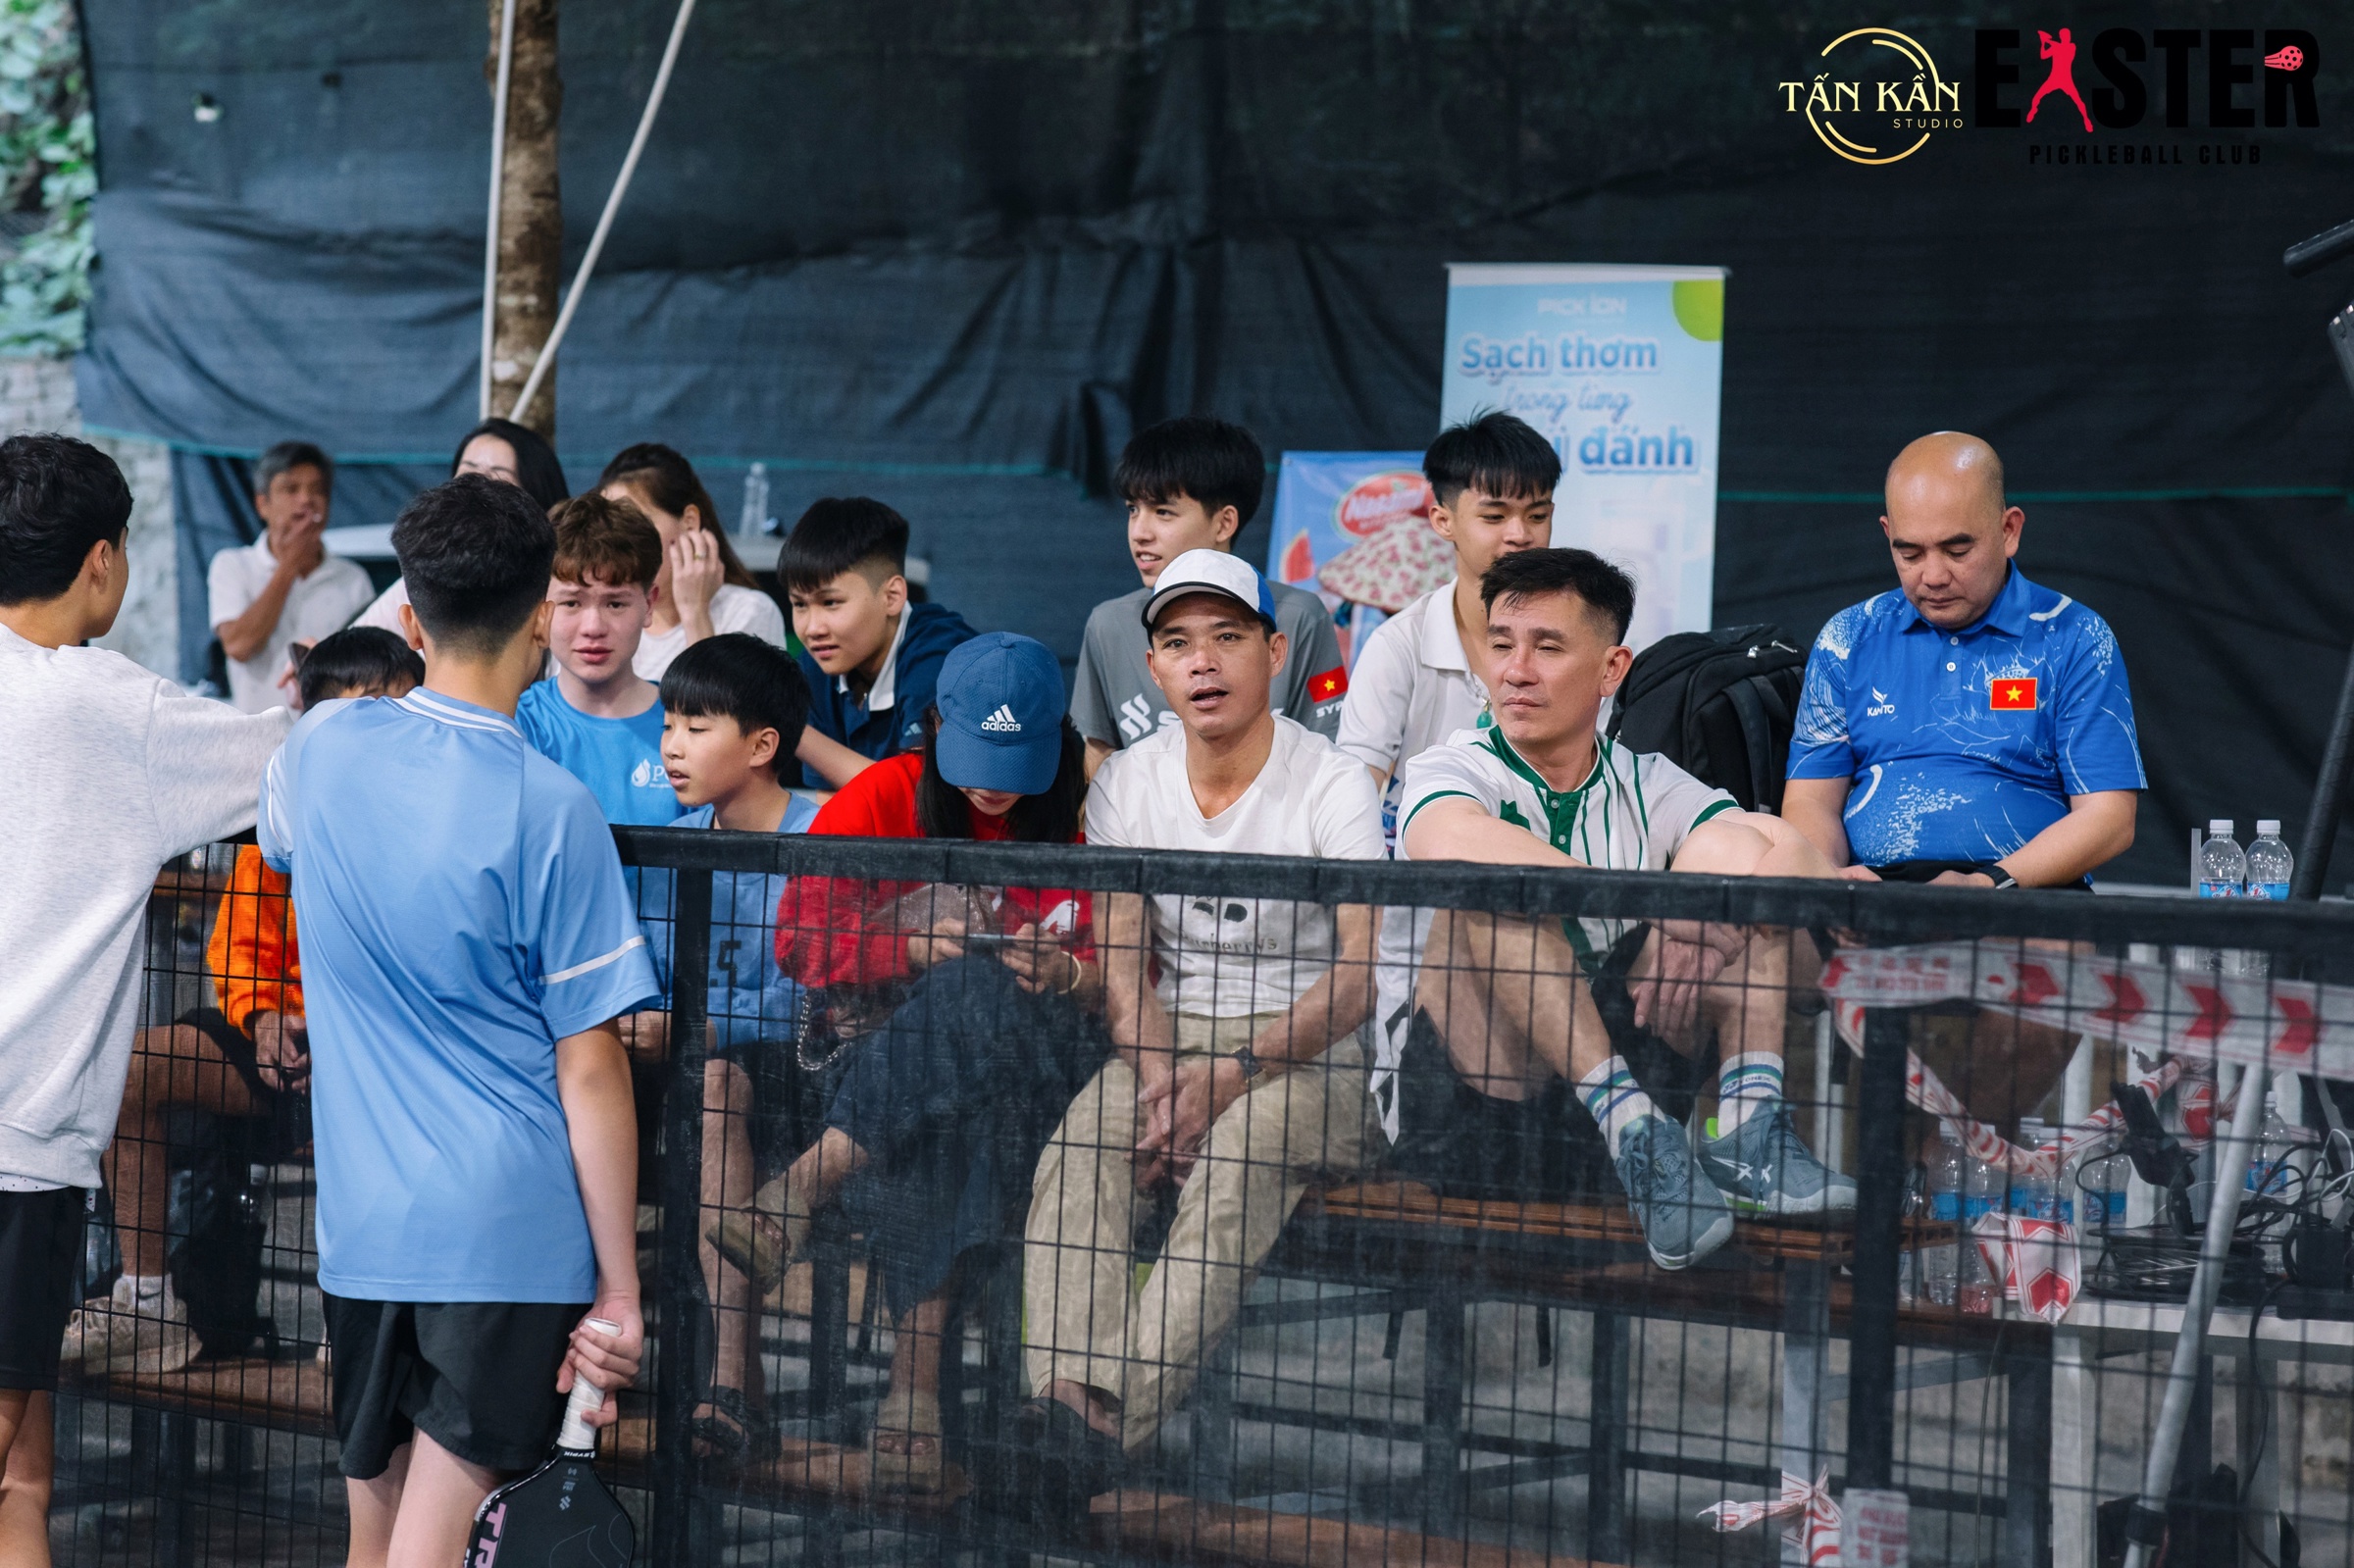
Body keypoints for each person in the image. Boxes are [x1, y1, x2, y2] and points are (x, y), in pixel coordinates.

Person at [258, 474, 655, 1568]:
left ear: (411, 616)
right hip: (509, 1236)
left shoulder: (324, 747)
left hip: (364, 1230)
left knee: (377, 1543)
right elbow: (591, 1065)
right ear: (541, 618)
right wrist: (621, 1288)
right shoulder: (553, 808)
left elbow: (281, 836)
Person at [995, 551, 1383, 1517]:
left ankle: (1094, 1430)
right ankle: (1069, 1406)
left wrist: (1234, 1073)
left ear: (1275, 652)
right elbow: (1126, 964)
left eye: (1226, 637)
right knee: (1082, 1147)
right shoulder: (1127, 783)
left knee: (1244, 1148)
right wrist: (1165, 1078)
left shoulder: (1333, 781)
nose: (1202, 661)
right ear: (1154, 668)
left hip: (1315, 1051)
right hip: (1172, 1040)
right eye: (1177, 643)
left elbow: (1359, 979)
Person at [706, 633, 1109, 1493]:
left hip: (1040, 1072)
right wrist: (908, 948)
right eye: (976, 760)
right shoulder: (885, 790)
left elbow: (1132, 968)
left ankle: (804, 1187)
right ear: (934, 728)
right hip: (892, 1076)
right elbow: (798, 938)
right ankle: (909, 1392)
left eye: (1017, 763)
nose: (993, 786)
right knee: (944, 1102)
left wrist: (1063, 970)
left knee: (972, 1009)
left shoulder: (1094, 811)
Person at [1383, 548, 1852, 1274]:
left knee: (1750, 900)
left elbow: (1778, 846)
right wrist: (1663, 905)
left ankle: (1749, 1129)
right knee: (1493, 893)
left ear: (1611, 670)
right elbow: (1443, 837)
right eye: (1502, 645)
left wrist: (1705, 912)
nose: (1515, 671)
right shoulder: (1456, 763)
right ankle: (1633, 1125)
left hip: (1639, 1166)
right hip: (1478, 1132)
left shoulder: (1649, 779)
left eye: (1547, 648)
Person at [0, 433, 290, 1568]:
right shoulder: (119, 710)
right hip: (21, 1143)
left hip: (31, 1145)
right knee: (10, 1468)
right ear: (102, 562)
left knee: (24, 1471)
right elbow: (293, 759)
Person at [61, 628, 423, 1376]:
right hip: (282, 1032)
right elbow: (238, 947)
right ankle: (148, 1300)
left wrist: (333, 1030)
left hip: (382, 1054)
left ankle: (365, 1315)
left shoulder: (431, 822)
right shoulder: (285, 810)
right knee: (131, 1070)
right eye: (349, 715)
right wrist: (262, 1019)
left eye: (392, 713)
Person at [1780, 431, 2143, 890]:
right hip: (1874, 893)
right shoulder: (1847, 638)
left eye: (1957, 551)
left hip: (2026, 893)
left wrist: (1987, 886)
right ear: (1888, 534)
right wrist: (1832, 884)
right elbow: (1810, 802)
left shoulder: (2075, 636)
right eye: (1909, 553)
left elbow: (2110, 818)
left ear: (2009, 531)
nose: (1933, 576)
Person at [647, 632, 821, 1462]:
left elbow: (819, 994)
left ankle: (729, 1373)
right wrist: (654, 1020)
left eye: (696, 726)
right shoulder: (671, 841)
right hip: (691, 1074)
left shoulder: (826, 833)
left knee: (718, 1080)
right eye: (667, 724)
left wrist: (707, 1026)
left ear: (761, 745)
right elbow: (646, 969)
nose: (672, 746)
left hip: (808, 1080)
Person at [1070, 416, 1348, 778]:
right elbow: (1098, 753)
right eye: (1133, 510)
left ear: (1224, 523)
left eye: (1163, 512)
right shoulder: (1108, 623)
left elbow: (1325, 755)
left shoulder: (1300, 616)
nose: (1139, 532)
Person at [1336, 408, 1557, 815]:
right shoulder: (1399, 644)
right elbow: (1354, 790)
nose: (1520, 534)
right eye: (1494, 516)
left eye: (1538, 516)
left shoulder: (1579, 641)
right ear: (1443, 521)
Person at [780, 496, 975, 790]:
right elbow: (830, 797)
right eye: (799, 604)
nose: (813, 629)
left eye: (830, 602)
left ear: (892, 597)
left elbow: (914, 793)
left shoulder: (941, 659)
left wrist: (792, 729)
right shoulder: (816, 664)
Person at [515, 493, 680, 827]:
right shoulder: (516, 725)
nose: (593, 628)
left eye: (615, 604)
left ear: (649, 605)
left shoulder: (687, 726)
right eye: (572, 603)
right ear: (541, 608)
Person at [352, 417, 569, 636]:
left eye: (498, 477)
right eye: (468, 474)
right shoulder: (426, 578)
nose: (477, 489)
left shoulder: (560, 585)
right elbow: (358, 646)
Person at [206, 441, 376, 713]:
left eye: (317, 490)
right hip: (257, 733)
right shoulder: (233, 565)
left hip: (330, 732)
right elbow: (239, 646)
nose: (306, 499)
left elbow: (369, 671)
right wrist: (289, 566)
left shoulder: (353, 579)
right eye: (291, 489)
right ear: (262, 504)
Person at [598, 443, 788, 679]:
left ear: (689, 522)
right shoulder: (596, 616)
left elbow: (717, 702)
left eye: (635, 525)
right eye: (610, 527)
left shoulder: (748, 611)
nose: (619, 542)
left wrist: (695, 613)